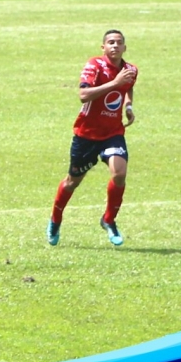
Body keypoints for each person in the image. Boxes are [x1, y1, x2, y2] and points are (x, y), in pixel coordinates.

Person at [47, 30, 138, 247]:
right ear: (103, 47)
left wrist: (128, 106)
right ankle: (55, 219)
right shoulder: (94, 66)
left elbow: (128, 88)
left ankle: (109, 220)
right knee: (72, 182)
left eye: (119, 43)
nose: (115, 46)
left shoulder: (130, 70)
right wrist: (114, 83)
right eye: (110, 42)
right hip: (86, 135)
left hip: (113, 133)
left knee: (119, 174)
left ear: (125, 47)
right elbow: (83, 95)